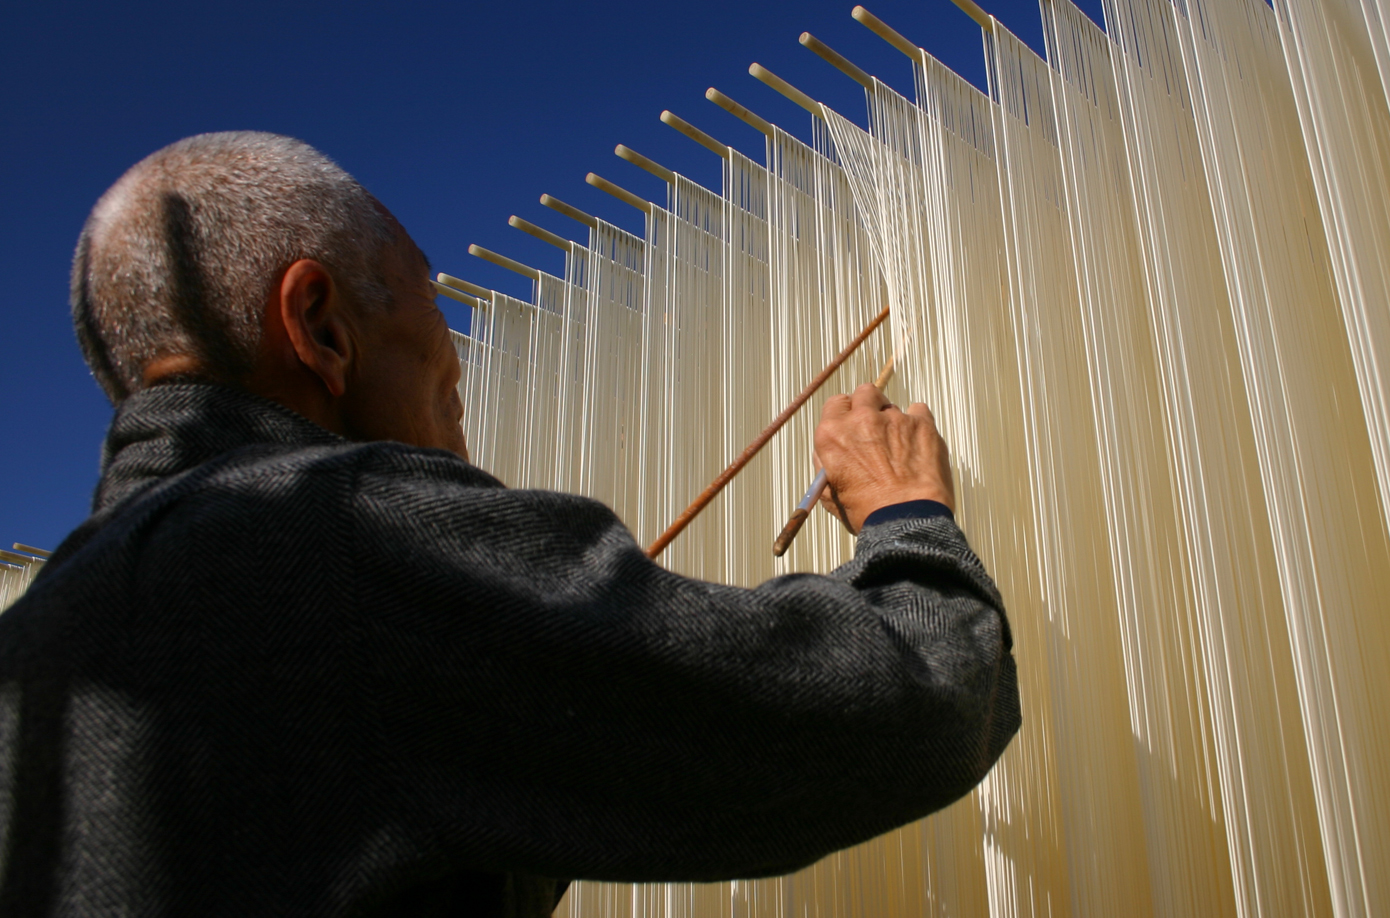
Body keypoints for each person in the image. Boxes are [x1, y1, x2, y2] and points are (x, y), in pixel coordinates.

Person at [0, 132, 1019, 917]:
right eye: (428, 296)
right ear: (318, 324)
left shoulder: (40, 648)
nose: (458, 369)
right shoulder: (350, 544)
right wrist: (905, 514)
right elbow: (902, 715)